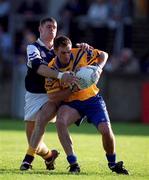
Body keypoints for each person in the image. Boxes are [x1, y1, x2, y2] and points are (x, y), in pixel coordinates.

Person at [45, 35, 129, 175]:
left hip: (92, 99)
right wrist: (71, 89)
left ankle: (113, 164)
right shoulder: (52, 69)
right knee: (60, 121)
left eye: (68, 51)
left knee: (106, 131)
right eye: (62, 53)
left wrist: (99, 67)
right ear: (55, 51)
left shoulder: (81, 52)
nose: (67, 55)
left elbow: (103, 54)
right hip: (72, 103)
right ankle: (73, 163)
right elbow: (52, 96)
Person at [20, 17, 92, 171]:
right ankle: (49, 156)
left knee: (43, 118)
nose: (52, 29)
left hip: (53, 94)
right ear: (40, 29)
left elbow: (77, 55)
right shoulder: (33, 48)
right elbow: (39, 68)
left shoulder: (60, 48)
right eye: (48, 26)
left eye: (54, 27)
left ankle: (27, 160)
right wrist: (60, 75)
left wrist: (86, 48)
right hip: (34, 95)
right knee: (34, 142)